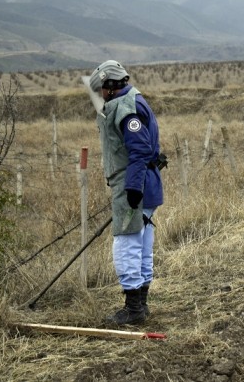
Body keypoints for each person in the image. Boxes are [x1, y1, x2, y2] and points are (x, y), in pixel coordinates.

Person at [88, 60, 164, 326]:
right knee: (142, 245)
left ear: (109, 85)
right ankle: (140, 306)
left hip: (134, 185)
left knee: (127, 245)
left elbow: (140, 149)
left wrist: (132, 187)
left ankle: (133, 309)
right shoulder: (135, 99)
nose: (100, 95)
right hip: (145, 182)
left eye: (101, 90)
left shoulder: (125, 107)